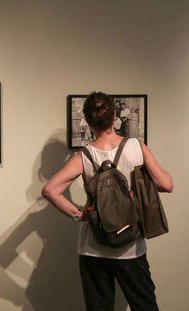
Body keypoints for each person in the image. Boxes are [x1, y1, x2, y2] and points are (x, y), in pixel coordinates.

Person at [42, 91, 173, 311]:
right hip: (131, 246)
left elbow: (49, 190)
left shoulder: (84, 156)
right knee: (145, 306)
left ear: (88, 121)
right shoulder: (136, 147)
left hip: (93, 247)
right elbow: (166, 184)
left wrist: (81, 215)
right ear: (114, 117)